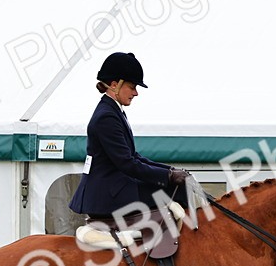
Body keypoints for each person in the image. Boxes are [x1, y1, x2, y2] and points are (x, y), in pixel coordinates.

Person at [68, 52, 190, 222]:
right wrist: (168, 177)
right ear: (114, 85)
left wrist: (169, 171)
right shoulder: (107, 117)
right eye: (132, 87)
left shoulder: (114, 111)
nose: (136, 93)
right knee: (177, 190)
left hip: (115, 187)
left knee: (178, 184)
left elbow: (134, 157)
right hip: (109, 195)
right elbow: (127, 163)